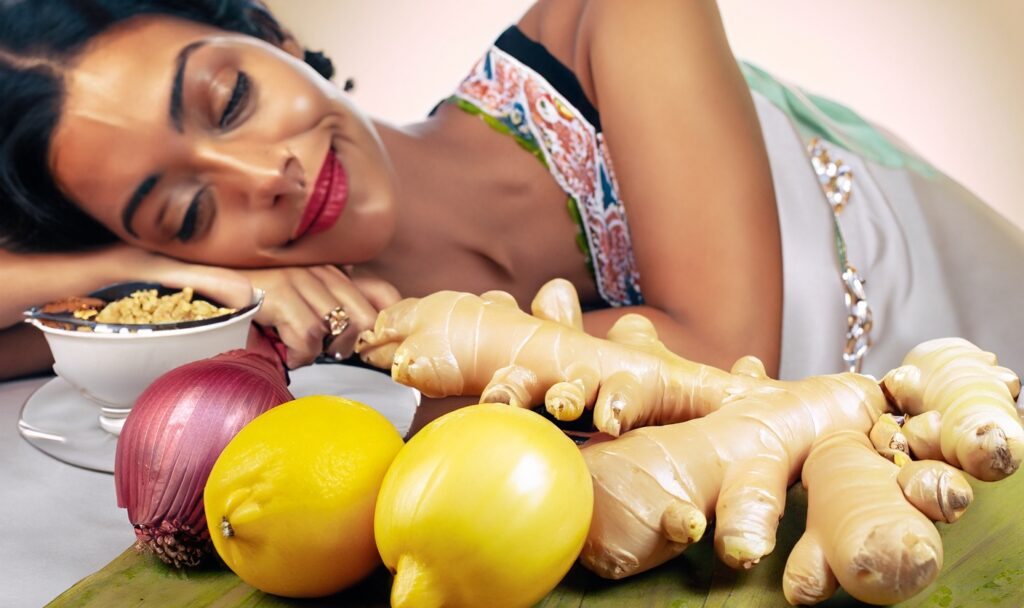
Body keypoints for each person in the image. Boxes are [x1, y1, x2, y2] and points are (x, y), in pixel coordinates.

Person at [1, 0, 1022, 389]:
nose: (264, 176)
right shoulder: (290, 312)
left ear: (268, 35)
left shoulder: (609, 20)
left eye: (229, 100)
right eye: (186, 211)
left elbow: (720, 352)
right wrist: (133, 272)